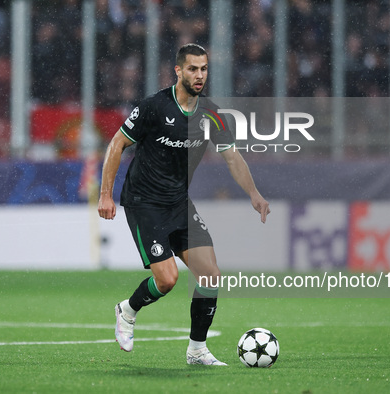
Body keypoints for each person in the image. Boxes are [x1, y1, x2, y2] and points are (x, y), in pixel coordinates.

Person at [97, 43, 270, 366]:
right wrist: (105, 194)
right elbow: (118, 142)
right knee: (167, 280)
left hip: (178, 203)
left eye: (204, 69)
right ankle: (128, 309)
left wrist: (254, 193)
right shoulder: (153, 107)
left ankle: (197, 350)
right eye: (193, 69)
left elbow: (232, 157)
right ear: (178, 71)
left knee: (210, 275)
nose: (199, 75)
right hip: (144, 201)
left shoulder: (212, 114)